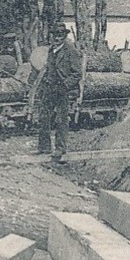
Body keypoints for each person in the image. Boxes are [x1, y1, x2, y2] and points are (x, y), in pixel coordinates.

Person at [36, 19, 82, 162]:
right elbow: (49, 69)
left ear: (64, 36)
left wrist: (65, 85)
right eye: (55, 34)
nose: (57, 37)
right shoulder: (51, 50)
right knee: (43, 116)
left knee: (61, 119)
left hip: (64, 89)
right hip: (50, 87)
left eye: (60, 34)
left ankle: (60, 148)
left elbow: (77, 73)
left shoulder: (71, 50)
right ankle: (44, 147)